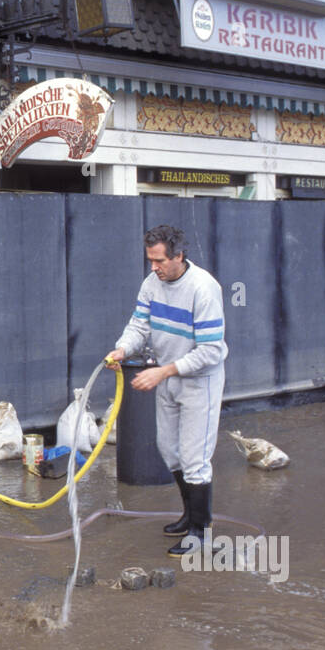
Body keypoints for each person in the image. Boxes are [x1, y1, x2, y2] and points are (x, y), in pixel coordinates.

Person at [106, 224, 228, 557]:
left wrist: (163, 371)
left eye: (159, 261)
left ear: (178, 255)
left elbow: (210, 351)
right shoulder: (152, 283)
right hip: (168, 374)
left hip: (198, 380)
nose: (154, 268)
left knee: (194, 459)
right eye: (150, 260)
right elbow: (139, 324)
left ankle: (200, 534)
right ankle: (188, 516)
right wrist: (122, 349)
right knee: (170, 450)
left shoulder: (203, 289)